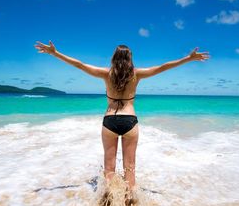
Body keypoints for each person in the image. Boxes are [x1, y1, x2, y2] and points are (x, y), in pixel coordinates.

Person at [34, 41, 209, 190]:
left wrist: (55, 53)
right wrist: (189, 58)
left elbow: (79, 65)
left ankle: (109, 203)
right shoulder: (137, 74)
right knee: (129, 169)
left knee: (109, 169)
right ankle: (131, 204)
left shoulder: (105, 73)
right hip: (129, 120)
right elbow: (163, 67)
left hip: (109, 120)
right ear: (130, 58)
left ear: (114, 57)